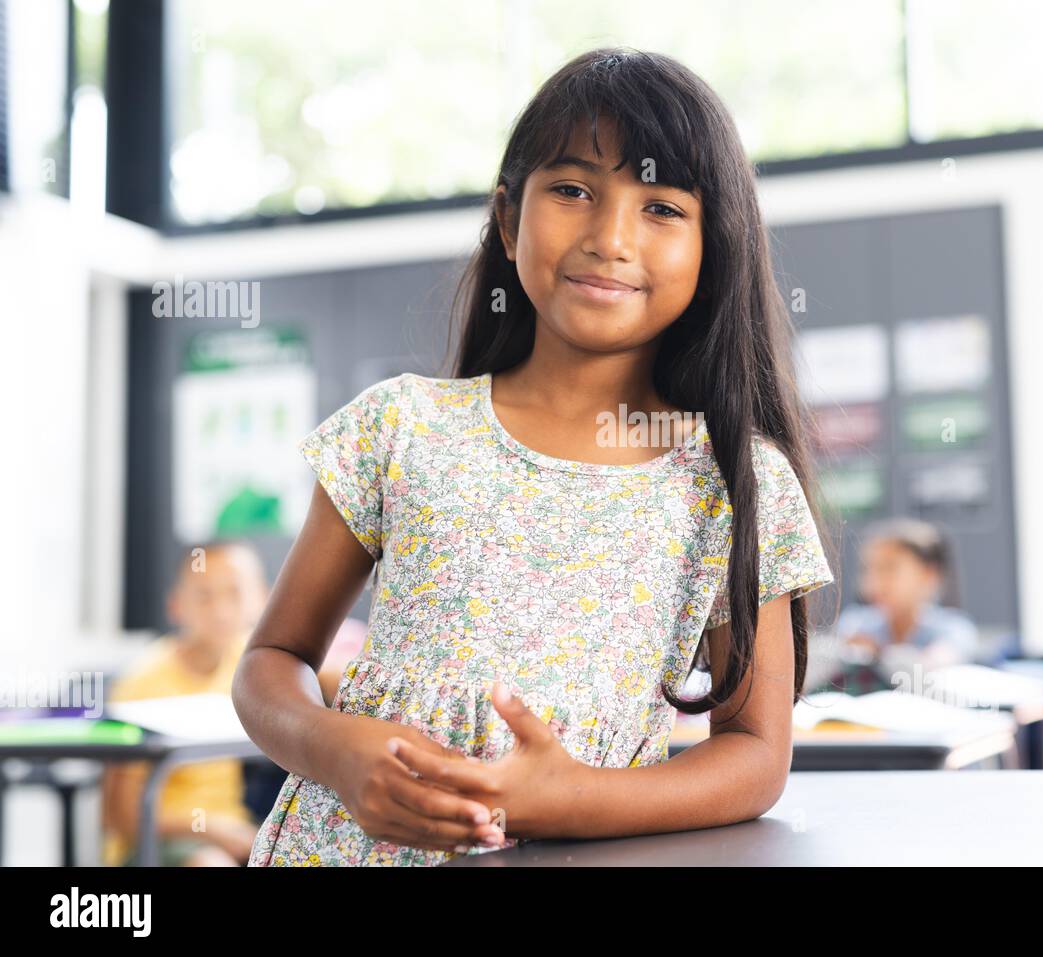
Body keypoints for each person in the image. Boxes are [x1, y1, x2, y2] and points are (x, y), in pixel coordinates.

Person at [233, 47, 837, 867]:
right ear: (510, 217)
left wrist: (567, 798)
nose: (610, 237)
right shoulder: (399, 426)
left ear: (713, 249)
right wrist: (334, 747)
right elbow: (272, 661)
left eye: (661, 207)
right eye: (573, 190)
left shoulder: (734, 480)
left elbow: (757, 755)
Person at [101, 541, 269, 866]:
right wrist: (213, 829)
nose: (220, 611)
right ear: (176, 605)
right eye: (204, 596)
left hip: (238, 834)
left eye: (234, 593)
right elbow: (117, 814)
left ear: (262, 600)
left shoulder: (252, 666)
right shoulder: (143, 682)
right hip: (156, 845)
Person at [834, 518, 979, 689]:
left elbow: (936, 664)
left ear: (928, 574)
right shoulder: (855, 624)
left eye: (889, 569)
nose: (874, 583)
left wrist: (879, 656)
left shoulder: (955, 629)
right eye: (868, 569)